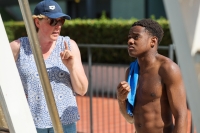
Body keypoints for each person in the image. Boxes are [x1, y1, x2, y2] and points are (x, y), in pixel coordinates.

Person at [9, 0, 88, 133]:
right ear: (37, 22)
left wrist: (71, 67)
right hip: (31, 123)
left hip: (65, 123)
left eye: (61, 21)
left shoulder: (69, 45)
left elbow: (82, 89)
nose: (57, 26)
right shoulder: (18, 47)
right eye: (52, 21)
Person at [117, 19, 188, 133]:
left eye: (136, 37)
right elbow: (130, 119)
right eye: (129, 37)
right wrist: (121, 99)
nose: (130, 41)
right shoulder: (131, 71)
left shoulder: (168, 69)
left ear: (153, 41)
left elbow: (181, 116)